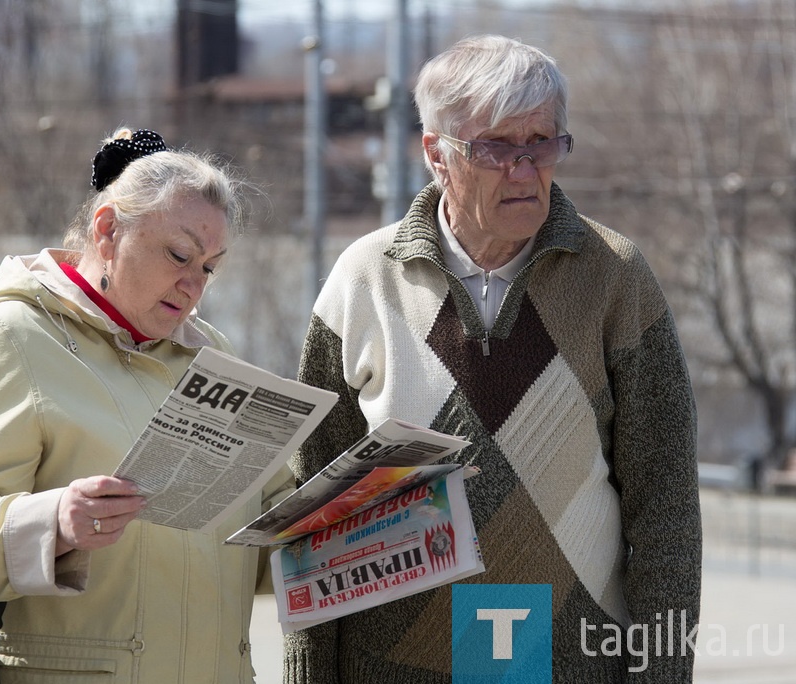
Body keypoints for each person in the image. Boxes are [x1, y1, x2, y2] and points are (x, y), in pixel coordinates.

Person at [283, 35, 701, 682]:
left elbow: (665, 507)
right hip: (393, 664)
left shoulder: (615, 277)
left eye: (543, 143)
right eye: (497, 148)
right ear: (435, 155)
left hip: (577, 664)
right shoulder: (362, 278)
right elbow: (314, 512)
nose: (525, 169)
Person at [0, 127, 289, 683]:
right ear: (107, 230)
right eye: (179, 255)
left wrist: (352, 526)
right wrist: (54, 522)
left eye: (208, 267)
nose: (193, 285)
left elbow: (257, 538)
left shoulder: (211, 355)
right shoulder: (8, 337)